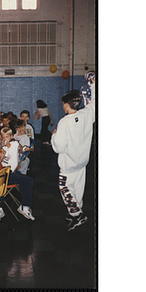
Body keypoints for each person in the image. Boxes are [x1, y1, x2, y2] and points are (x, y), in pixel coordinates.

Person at [51, 77, 95, 231]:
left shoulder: (64, 122)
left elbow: (58, 147)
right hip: (82, 162)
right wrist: (93, 86)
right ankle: (78, 210)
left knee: (66, 189)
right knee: (78, 189)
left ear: (66, 105)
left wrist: (54, 135)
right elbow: (94, 104)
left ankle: (78, 216)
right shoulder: (86, 114)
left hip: (68, 166)